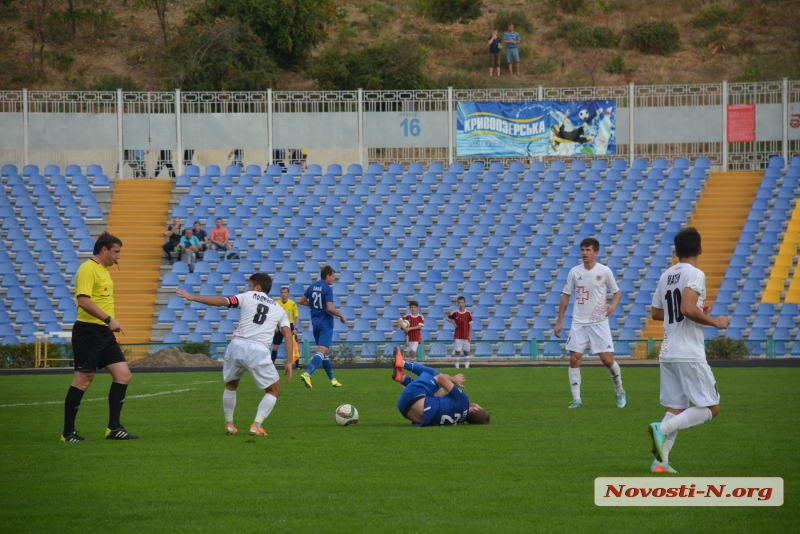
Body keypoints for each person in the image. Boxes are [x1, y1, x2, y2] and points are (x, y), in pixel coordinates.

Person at [647, 228, 728, 474]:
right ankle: (663, 429)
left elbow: (657, 313)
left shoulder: (666, 275)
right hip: (688, 352)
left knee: (677, 408)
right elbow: (686, 308)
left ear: (676, 251)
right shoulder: (695, 274)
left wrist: (696, 310)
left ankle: (660, 463)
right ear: (700, 249)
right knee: (712, 408)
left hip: (668, 351)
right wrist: (715, 321)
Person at [175, 273, 293, 437]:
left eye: (250, 285)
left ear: (257, 288)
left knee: (231, 385)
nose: (248, 288)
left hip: (237, 345)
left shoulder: (247, 296)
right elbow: (287, 334)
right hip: (258, 350)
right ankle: (257, 425)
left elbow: (222, 301)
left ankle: (229, 424)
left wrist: (193, 297)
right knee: (274, 390)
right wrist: (289, 361)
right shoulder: (279, 309)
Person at [62, 232, 138, 442]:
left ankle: (113, 429)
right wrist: (108, 319)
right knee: (83, 380)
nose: (118, 256)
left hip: (103, 333)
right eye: (116, 252)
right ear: (104, 250)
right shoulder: (88, 269)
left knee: (123, 375)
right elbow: (83, 300)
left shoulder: (103, 271)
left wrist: (107, 323)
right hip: (89, 331)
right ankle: (68, 433)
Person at [554, 237, 625, 409]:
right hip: (578, 322)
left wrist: (613, 306)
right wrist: (560, 321)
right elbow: (565, 296)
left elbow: (617, 293)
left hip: (599, 322)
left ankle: (619, 390)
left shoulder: (605, 271)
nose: (584, 253)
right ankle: (577, 399)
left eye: (588, 250)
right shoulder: (574, 272)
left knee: (607, 360)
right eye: (582, 250)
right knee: (574, 358)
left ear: (596, 252)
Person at [392, 348, 490, 426]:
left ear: (475, 409)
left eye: (479, 406)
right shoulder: (455, 422)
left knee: (438, 375)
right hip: (404, 409)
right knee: (440, 392)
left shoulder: (463, 401)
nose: (477, 404)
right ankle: (403, 378)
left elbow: (442, 379)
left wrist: (453, 380)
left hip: (413, 396)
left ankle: (403, 363)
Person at [297, 265, 347, 388]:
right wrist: (341, 315)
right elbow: (330, 308)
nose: (333, 279)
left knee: (325, 352)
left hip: (315, 324)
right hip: (326, 324)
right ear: (328, 275)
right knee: (322, 351)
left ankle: (333, 380)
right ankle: (307, 374)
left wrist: (314, 305)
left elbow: (301, 301)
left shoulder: (312, 286)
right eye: (333, 276)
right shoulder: (327, 288)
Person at [272, 286, 301, 370]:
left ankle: (297, 365)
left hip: (290, 325)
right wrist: (274, 326)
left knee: (294, 346)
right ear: (280, 294)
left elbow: (296, 317)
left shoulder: (292, 303)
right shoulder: (276, 303)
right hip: (279, 325)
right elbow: (272, 316)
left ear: (288, 294)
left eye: (285, 293)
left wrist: (295, 328)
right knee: (275, 346)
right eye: (282, 293)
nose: (283, 294)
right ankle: (272, 364)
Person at [446, 296, 472, 369]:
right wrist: (453, 322)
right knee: (457, 351)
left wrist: (469, 335)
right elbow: (448, 318)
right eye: (459, 302)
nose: (461, 304)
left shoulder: (468, 313)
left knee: (466, 351)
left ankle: (467, 368)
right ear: (458, 303)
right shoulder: (455, 313)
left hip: (466, 335)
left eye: (462, 302)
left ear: (465, 303)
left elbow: (470, 324)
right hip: (457, 335)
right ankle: (457, 368)